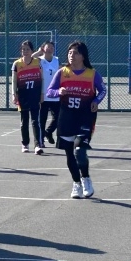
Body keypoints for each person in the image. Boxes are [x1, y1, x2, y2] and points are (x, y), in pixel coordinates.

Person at [46, 41, 106, 199]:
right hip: (67, 117)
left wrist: (96, 101)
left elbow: (103, 90)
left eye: (76, 53)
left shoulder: (92, 74)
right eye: (70, 52)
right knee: (69, 154)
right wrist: (59, 91)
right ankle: (76, 183)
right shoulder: (62, 72)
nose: (72, 55)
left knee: (79, 150)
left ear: (83, 56)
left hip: (85, 117)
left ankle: (86, 178)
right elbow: (49, 91)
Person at [11, 40, 43, 154]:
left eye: (27, 49)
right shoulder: (17, 64)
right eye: (23, 49)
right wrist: (14, 94)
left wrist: (42, 94)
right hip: (23, 96)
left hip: (34, 95)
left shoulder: (37, 62)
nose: (25, 51)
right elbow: (14, 81)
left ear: (31, 51)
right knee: (24, 121)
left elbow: (42, 79)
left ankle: (37, 145)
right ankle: (25, 144)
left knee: (35, 121)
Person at [32, 41, 60, 149]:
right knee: (42, 119)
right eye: (48, 47)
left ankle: (48, 132)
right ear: (43, 48)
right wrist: (38, 52)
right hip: (43, 94)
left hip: (55, 94)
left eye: (52, 47)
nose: (50, 49)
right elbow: (29, 59)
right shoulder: (39, 60)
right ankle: (41, 140)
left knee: (58, 118)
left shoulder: (56, 60)